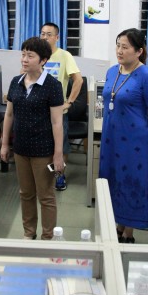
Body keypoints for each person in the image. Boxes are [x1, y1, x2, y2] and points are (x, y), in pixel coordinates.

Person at [99, 28, 148, 243]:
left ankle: (128, 232)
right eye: (118, 45)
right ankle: (118, 224)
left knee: (132, 182)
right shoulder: (112, 71)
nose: (119, 50)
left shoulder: (147, 77)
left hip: (134, 142)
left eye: (125, 47)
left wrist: (138, 129)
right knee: (113, 179)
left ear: (139, 51)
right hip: (111, 138)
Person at [0, 37, 64, 240]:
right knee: (25, 193)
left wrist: (58, 154)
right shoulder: (16, 82)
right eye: (23, 54)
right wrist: (4, 143)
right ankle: (29, 233)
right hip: (21, 148)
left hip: (43, 150)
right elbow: (9, 114)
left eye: (30, 55)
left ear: (43, 60)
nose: (24, 59)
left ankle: (48, 237)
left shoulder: (52, 85)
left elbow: (57, 122)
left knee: (46, 196)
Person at [40, 22, 82, 191]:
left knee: (61, 146)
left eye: (49, 34)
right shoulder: (36, 54)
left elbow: (78, 80)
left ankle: (59, 175)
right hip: (38, 112)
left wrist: (69, 102)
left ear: (57, 37)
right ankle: (42, 176)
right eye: (42, 34)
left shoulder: (64, 56)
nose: (45, 37)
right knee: (41, 147)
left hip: (58, 112)